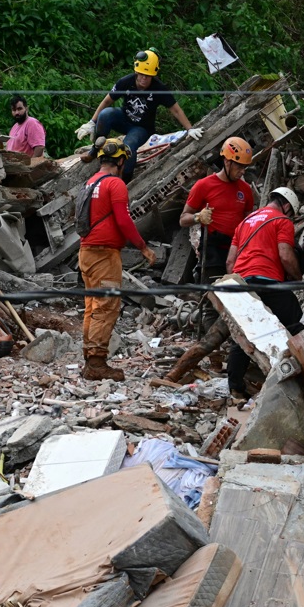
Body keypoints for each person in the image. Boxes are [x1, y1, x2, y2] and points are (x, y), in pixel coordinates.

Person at [223, 188, 304, 397]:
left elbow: (230, 261)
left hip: (241, 282)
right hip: (267, 280)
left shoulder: (244, 223)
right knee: (296, 322)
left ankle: (235, 388)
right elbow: (285, 255)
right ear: (286, 206)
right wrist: (297, 278)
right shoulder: (282, 221)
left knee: (246, 335)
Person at [78, 139, 157, 381]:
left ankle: (90, 358)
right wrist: (143, 247)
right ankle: (96, 364)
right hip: (104, 255)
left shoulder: (90, 182)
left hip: (87, 253)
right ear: (121, 160)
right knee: (106, 306)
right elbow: (124, 220)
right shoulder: (115, 184)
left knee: (92, 305)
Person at [75, 50, 202, 181]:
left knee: (128, 147)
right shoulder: (126, 82)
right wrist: (92, 122)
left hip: (142, 128)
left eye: (148, 76)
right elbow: (107, 101)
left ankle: (126, 179)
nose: (144, 78)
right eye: (141, 74)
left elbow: (176, 110)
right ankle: (94, 151)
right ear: (136, 72)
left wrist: (190, 129)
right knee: (106, 114)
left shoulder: (159, 89)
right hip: (124, 117)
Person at [180, 136, 257, 287]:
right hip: (212, 247)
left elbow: (249, 219)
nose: (242, 171)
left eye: (245, 167)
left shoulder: (245, 190)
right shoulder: (203, 186)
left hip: (236, 248)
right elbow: (183, 219)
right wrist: (198, 217)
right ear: (227, 161)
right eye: (239, 167)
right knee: (213, 290)